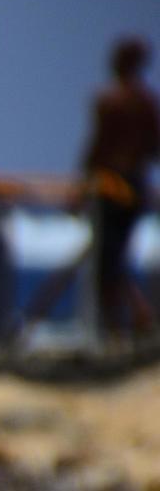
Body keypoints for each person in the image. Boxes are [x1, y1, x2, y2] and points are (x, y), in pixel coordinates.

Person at [78, 36, 159, 343]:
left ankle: (121, 326)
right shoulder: (147, 101)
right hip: (137, 185)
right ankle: (128, 322)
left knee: (108, 262)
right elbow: (154, 148)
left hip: (111, 186)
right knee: (117, 258)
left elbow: (96, 148)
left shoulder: (109, 99)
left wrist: (82, 185)